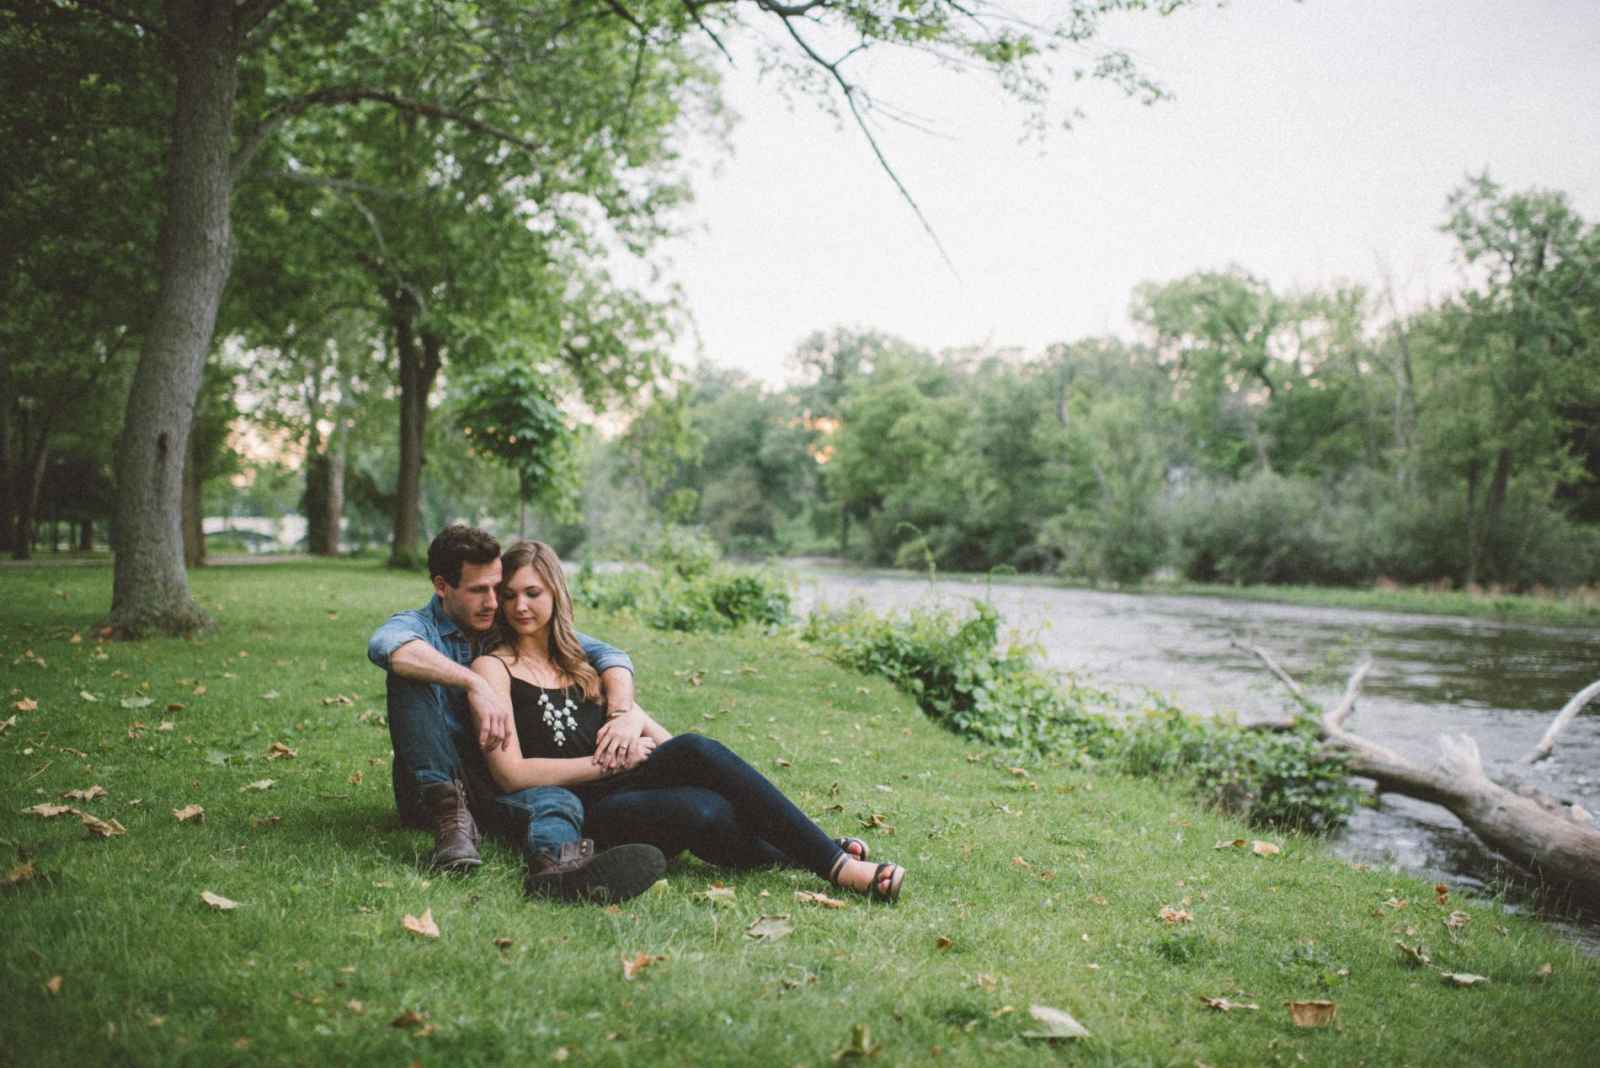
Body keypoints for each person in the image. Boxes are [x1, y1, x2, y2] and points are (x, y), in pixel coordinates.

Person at [469, 539, 907, 902]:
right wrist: (608, 765)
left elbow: (657, 735)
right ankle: (838, 865)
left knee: (705, 795)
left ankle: (809, 854)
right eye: (509, 596)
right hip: (581, 808)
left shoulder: (584, 663)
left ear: (556, 594)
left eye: (532, 593)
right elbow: (510, 774)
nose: (519, 607)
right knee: (698, 788)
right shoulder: (495, 667)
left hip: (624, 784)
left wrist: (634, 730)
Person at [367, 524, 666, 902]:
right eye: (478, 590)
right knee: (407, 673)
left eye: (497, 588)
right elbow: (387, 647)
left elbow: (609, 655)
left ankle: (557, 872)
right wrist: (475, 685)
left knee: (556, 801)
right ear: (442, 587)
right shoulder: (418, 628)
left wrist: (623, 714)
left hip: (494, 781)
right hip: (438, 788)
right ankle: (450, 821)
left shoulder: (504, 624)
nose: (494, 603)